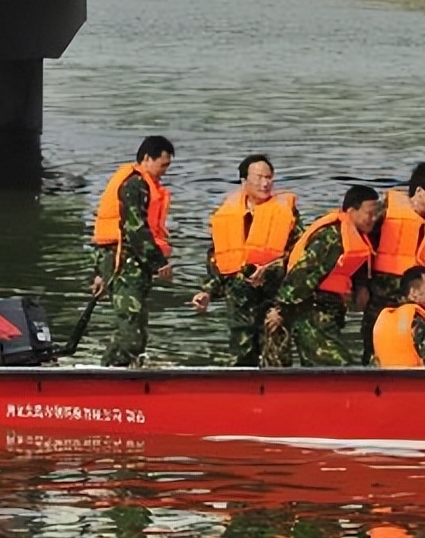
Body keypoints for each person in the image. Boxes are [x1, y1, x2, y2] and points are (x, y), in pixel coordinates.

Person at [191, 155, 301, 366]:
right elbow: (218, 259)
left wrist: (270, 268)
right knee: (241, 359)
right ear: (244, 181)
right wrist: (207, 292)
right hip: (240, 300)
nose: (265, 183)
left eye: (269, 177)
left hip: (274, 297)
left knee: (276, 359)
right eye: (259, 177)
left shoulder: (286, 211)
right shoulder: (226, 213)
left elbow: (299, 255)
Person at [264, 185, 379, 367]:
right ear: (351, 211)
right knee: (340, 367)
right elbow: (303, 273)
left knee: (323, 367)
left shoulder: (355, 236)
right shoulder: (331, 237)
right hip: (311, 314)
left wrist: (361, 287)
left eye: (375, 214)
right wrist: (280, 310)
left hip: (329, 313)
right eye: (369, 214)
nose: (373, 219)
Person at [89, 136, 175, 367]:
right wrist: (159, 263)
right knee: (131, 333)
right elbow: (135, 228)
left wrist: (100, 272)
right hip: (124, 261)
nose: (165, 171)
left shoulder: (142, 184)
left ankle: (110, 371)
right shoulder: (134, 185)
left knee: (135, 327)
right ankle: (111, 373)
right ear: (147, 159)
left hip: (129, 261)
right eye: (163, 165)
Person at [362, 162, 425, 364]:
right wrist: (360, 285)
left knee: (416, 341)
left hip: (413, 294)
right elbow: (363, 245)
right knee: (374, 343)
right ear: (419, 191)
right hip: (381, 293)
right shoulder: (386, 211)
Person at [371, 266, 425, 369]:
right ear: (413, 292)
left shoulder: (384, 318)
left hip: (388, 377)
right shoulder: (418, 320)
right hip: (416, 378)